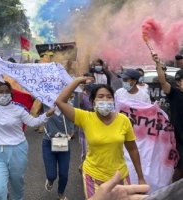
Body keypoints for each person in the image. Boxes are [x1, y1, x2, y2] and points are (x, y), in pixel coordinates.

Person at [56, 78, 146, 199]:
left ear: (114, 100)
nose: (105, 100)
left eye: (109, 97)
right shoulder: (85, 117)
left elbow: (133, 149)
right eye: (101, 96)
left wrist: (141, 178)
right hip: (93, 177)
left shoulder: (123, 120)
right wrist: (77, 81)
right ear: (93, 101)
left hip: (120, 176)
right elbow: (60, 102)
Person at [0, 70, 55, 200]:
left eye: (6, 92)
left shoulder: (19, 109)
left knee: (17, 186)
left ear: (11, 94)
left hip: (18, 151)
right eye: (1, 92)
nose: (4, 94)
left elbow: (33, 122)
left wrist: (47, 115)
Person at [152, 53, 183, 182]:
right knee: (179, 170)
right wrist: (158, 64)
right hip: (179, 140)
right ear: (178, 82)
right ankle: (173, 192)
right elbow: (163, 81)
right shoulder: (174, 94)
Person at [42, 105, 74, 200]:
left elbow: (75, 114)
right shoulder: (46, 102)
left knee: (64, 174)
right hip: (48, 141)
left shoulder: (68, 104)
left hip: (64, 142)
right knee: (51, 175)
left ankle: (60, 194)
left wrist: (72, 130)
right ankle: (50, 180)